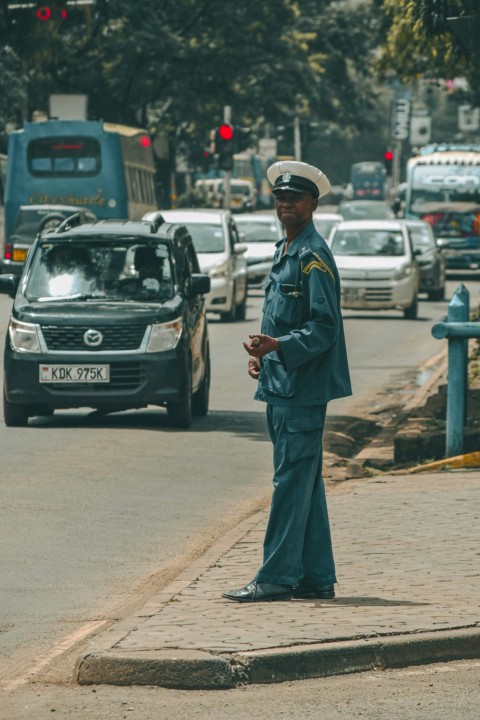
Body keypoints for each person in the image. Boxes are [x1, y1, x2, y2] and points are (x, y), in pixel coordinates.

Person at [222, 160, 352, 603]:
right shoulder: (286, 249)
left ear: (313, 204)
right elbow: (280, 318)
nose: (285, 205)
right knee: (304, 484)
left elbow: (324, 328)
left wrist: (278, 347)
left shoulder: (314, 255)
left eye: (294, 198)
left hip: (302, 392)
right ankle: (315, 578)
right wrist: (264, 354)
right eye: (279, 198)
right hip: (281, 386)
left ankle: (275, 577)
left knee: (290, 484)